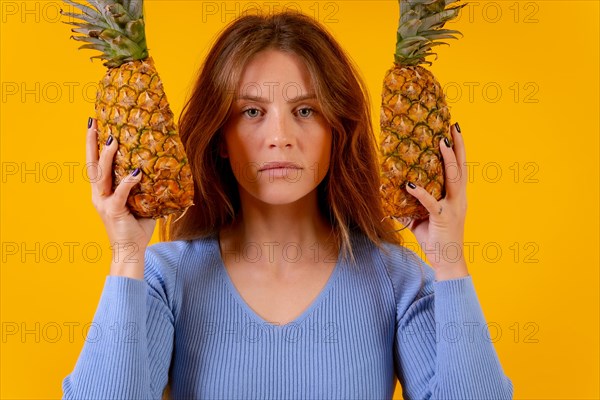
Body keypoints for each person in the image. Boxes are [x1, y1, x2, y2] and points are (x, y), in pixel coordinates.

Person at [62, 11, 513, 400]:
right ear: (221, 137)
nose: (281, 136)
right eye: (251, 112)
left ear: (337, 130)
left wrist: (449, 259)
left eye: (306, 111)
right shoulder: (165, 277)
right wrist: (125, 255)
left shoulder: (396, 280)